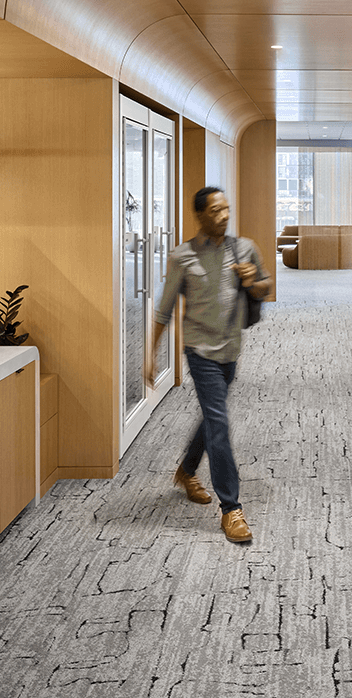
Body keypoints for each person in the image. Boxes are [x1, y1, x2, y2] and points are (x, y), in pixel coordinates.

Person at [145, 185, 271, 541]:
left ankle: (186, 470)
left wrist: (253, 280)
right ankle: (231, 509)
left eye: (226, 209)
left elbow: (265, 289)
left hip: (231, 348)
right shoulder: (183, 256)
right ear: (199, 215)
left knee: (212, 416)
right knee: (219, 422)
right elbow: (164, 309)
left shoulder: (245, 248)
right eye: (216, 211)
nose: (224, 216)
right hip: (199, 351)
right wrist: (150, 355)